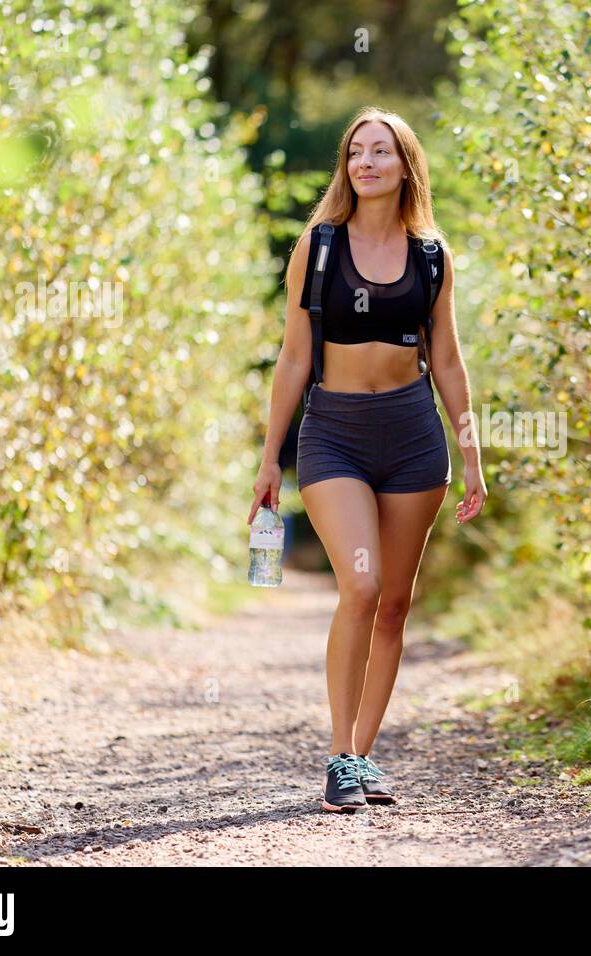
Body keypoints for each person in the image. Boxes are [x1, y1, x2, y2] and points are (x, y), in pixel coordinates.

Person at [248, 107, 488, 813]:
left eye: (382, 152)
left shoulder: (432, 254)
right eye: (357, 152)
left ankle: (363, 756)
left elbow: (445, 355)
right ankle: (338, 755)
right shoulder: (318, 248)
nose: (367, 163)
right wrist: (269, 459)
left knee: (395, 604)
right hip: (336, 434)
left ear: (406, 165)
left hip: (414, 434)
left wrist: (470, 451)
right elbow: (294, 356)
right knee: (361, 585)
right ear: (346, 167)